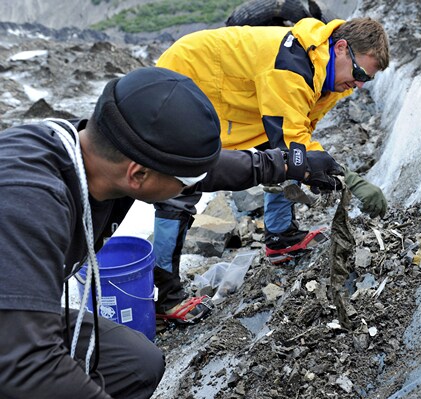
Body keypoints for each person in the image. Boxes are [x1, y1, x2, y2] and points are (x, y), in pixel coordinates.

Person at [0, 66, 342, 398]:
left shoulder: (100, 157)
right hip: (15, 343)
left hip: (16, 323)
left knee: (135, 364)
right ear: (138, 175)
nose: (194, 186)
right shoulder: (26, 201)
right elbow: (29, 364)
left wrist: (285, 165)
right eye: (188, 183)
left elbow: (199, 170)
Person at [151, 17, 390, 322]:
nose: (357, 86)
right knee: (182, 178)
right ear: (341, 48)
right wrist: (350, 179)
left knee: (282, 153)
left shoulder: (327, 71)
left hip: (234, 92)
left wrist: (315, 168)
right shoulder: (292, 67)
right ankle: (166, 298)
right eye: (359, 74)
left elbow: (294, 133)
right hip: (186, 77)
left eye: (365, 81)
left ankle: (281, 237)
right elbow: (293, 145)